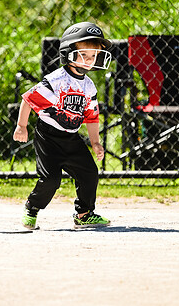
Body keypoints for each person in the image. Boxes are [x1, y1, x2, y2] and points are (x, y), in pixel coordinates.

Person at [13, 21, 112, 229]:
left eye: (93, 56)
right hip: (48, 137)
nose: (89, 60)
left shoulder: (89, 86)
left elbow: (92, 116)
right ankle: (32, 207)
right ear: (68, 53)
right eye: (84, 54)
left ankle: (84, 214)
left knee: (89, 173)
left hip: (71, 138)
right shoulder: (57, 80)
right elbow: (28, 99)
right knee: (51, 180)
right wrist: (22, 126)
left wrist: (95, 142)